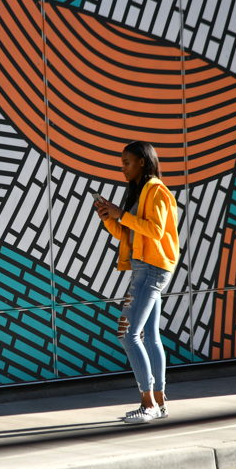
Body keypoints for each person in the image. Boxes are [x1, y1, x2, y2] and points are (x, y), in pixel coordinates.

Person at [94, 141, 180, 424]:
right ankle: (159, 402)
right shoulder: (140, 191)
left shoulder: (156, 190)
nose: (123, 168)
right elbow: (129, 234)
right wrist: (109, 218)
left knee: (127, 333)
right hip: (145, 267)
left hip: (151, 269)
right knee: (150, 336)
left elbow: (155, 231)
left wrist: (121, 214)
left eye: (127, 162)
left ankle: (148, 404)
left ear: (142, 161)